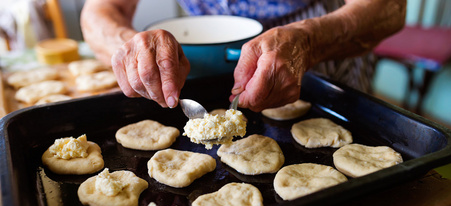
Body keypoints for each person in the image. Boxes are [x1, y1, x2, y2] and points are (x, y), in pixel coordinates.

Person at [80, 0, 406, 112]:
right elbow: (101, 11)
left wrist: (309, 43)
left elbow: (390, 8)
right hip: (203, 58)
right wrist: (129, 46)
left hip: (321, 49)